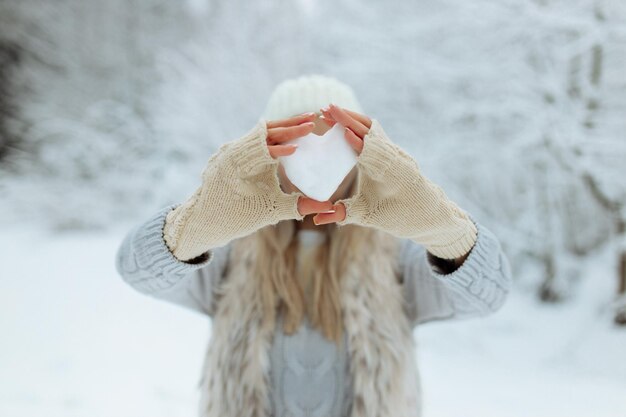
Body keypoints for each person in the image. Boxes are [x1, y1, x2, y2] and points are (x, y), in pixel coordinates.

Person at [115, 74, 513, 417]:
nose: (318, 161)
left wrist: (442, 228)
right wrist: (195, 224)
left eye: (336, 144)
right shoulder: (231, 254)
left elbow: (489, 294)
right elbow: (135, 270)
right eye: (299, 143)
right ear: (270, 155)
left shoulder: (393, 256)